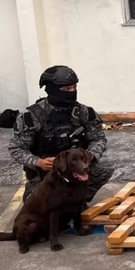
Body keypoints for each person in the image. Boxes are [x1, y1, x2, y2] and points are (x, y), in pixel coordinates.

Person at [8, 66, 111, 203]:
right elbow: (17, 149)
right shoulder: (31, 116)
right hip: (46, 174)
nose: (72, 92)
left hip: (76, 168)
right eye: (66, 89)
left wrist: (90, 155)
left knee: (104, 170)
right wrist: (38, 162)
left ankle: (76, 199)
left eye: (74, 87)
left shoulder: (84, 112)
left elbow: (98, 139)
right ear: (51, 89)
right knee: (37, 209)